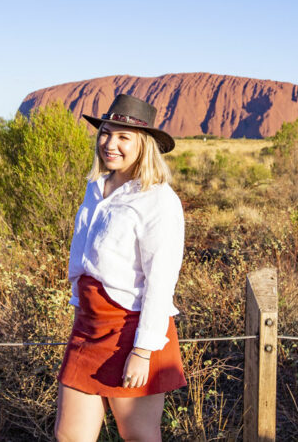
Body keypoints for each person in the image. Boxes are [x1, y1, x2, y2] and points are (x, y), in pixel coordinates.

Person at [55, 94, 187, 442]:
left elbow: (161, 281)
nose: (110, 144)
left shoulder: (157, 198)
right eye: (105, 133)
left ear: (143, 145)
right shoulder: (95, 188)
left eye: (123, 137)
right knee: (70, 436)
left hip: (131, 330)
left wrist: (142, 351)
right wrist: (78, 308)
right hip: (88, 327)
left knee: (139, 436)